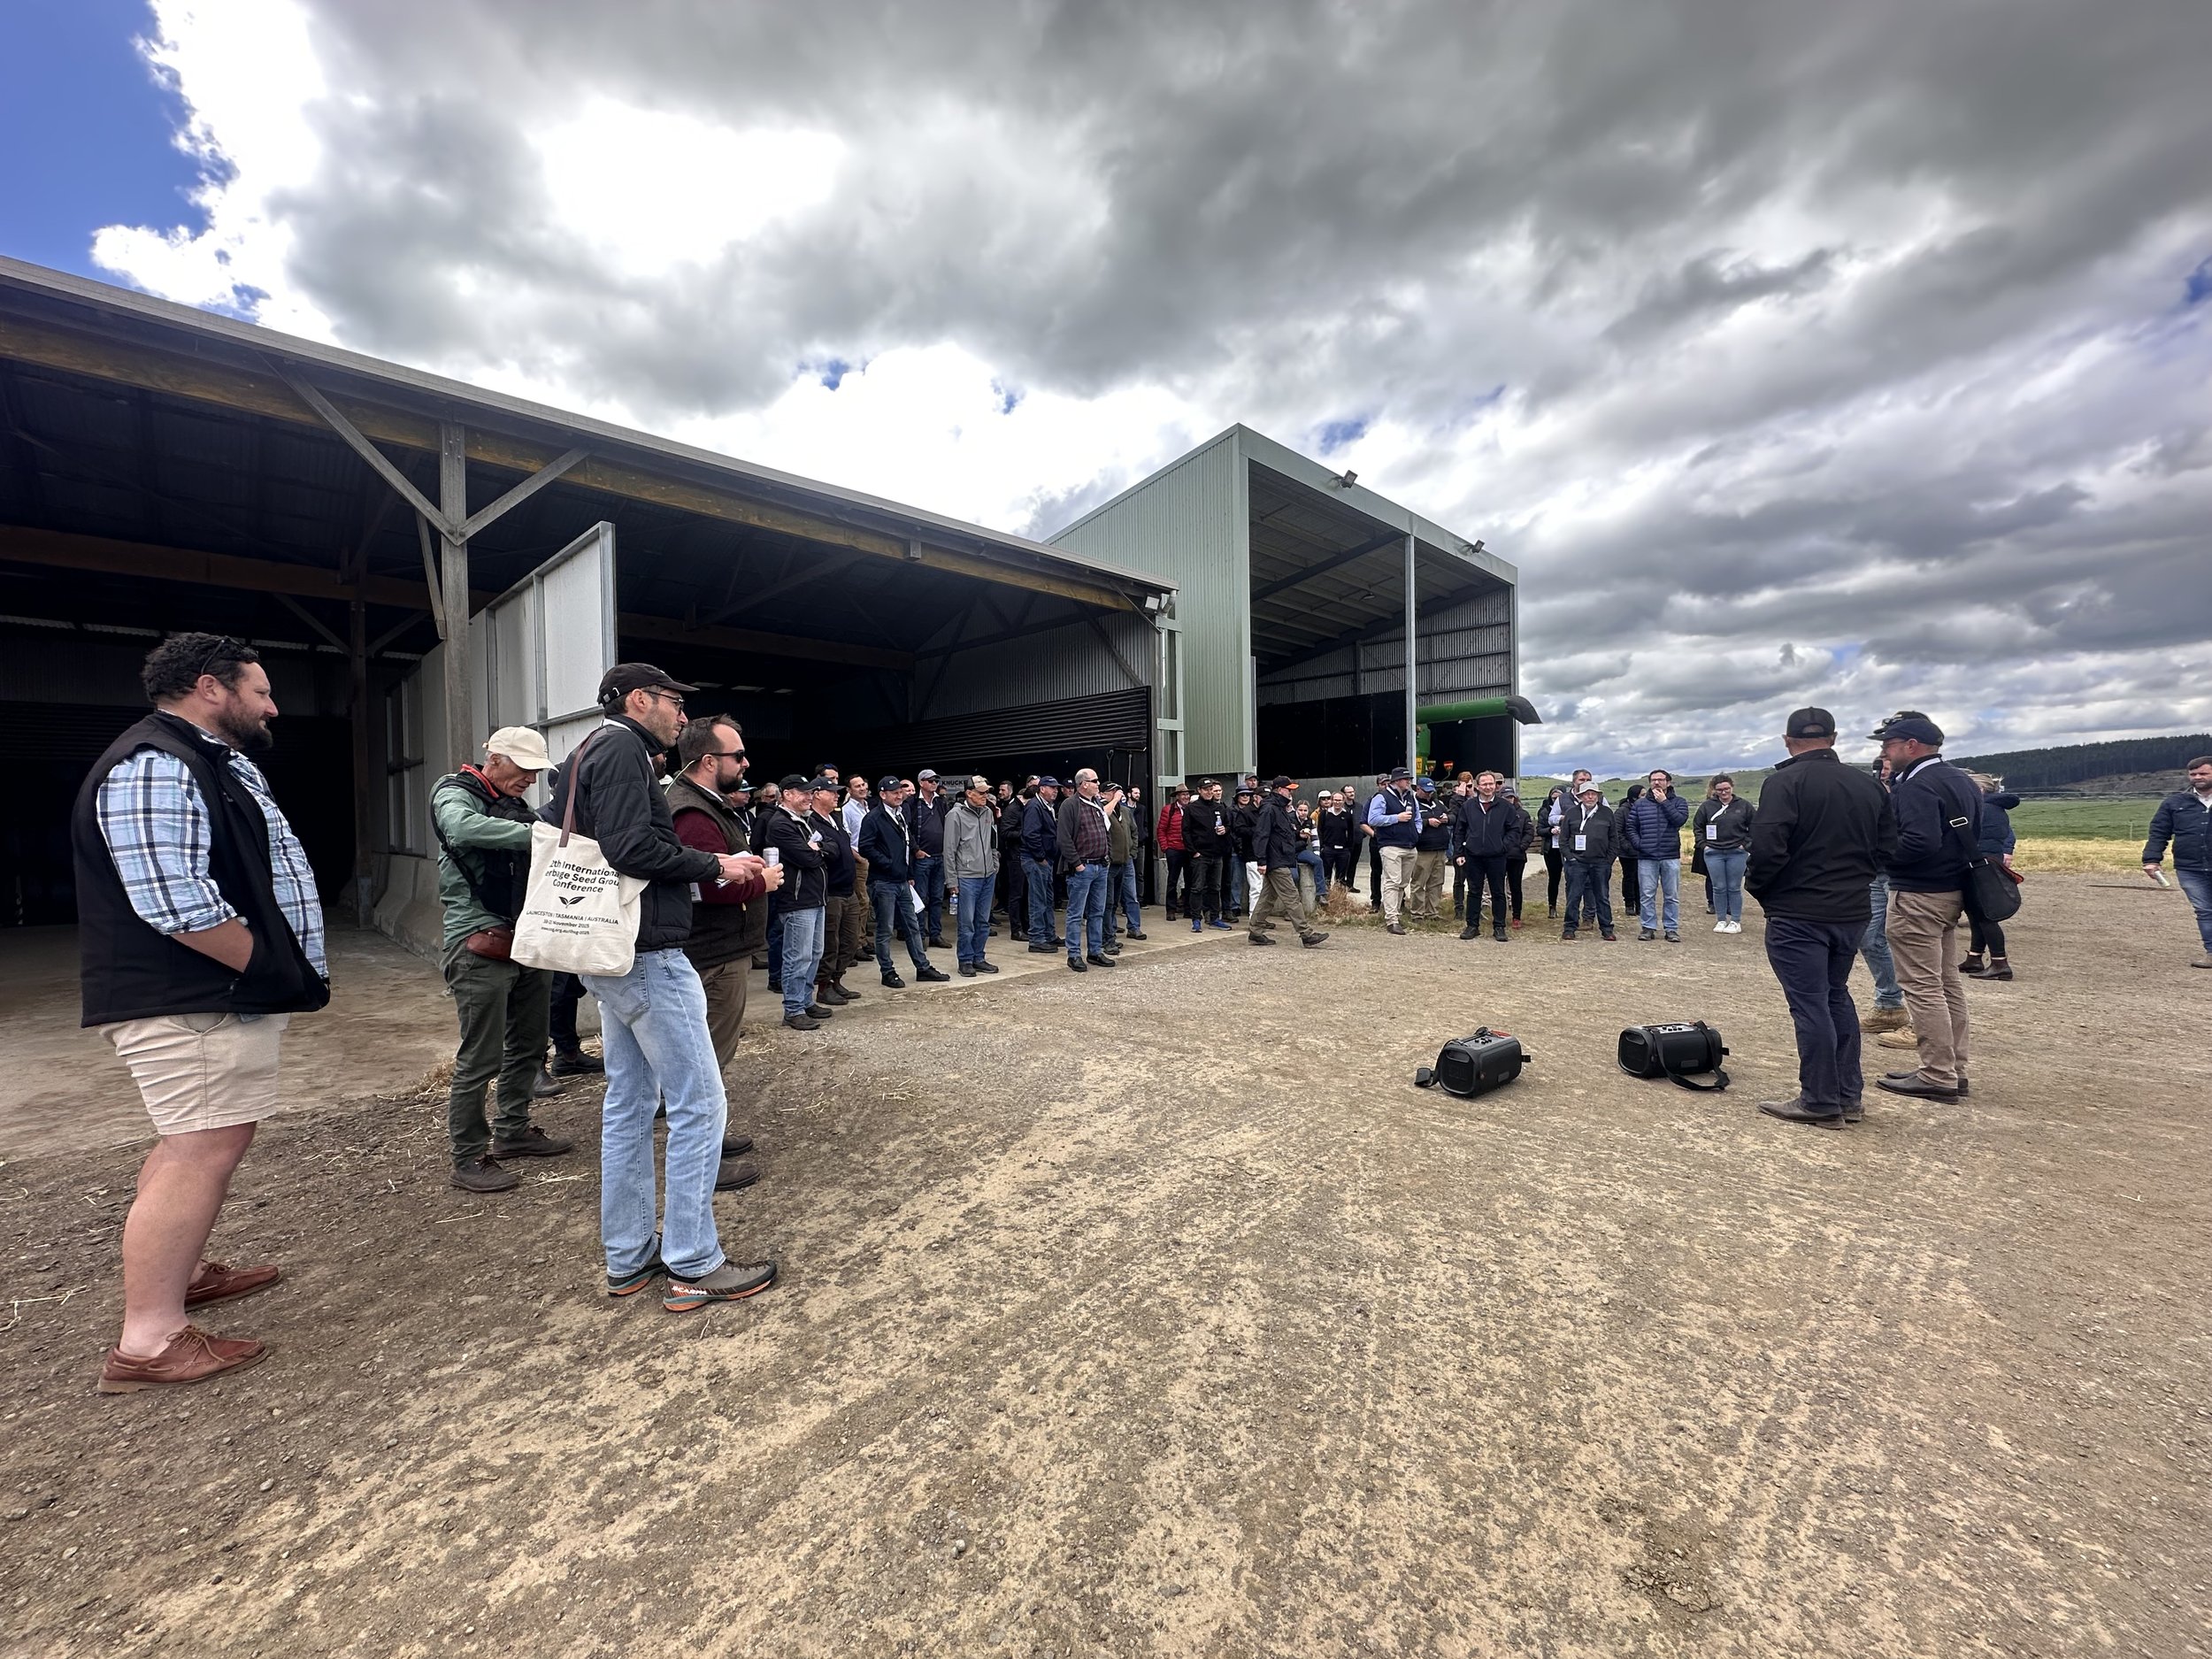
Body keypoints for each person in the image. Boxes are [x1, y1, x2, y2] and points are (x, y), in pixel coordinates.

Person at [75, 633, 331, 1391]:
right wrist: (269, 965)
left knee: (193, 1139)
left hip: (204, 998)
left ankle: (178, 1273)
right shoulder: (154, 764)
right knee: (202, 1148)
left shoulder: (203, 758)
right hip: (191, 997)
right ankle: (150, 1339)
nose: (273, 705)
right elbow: (175, 904)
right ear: (210, 688)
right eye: (260, 690)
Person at [547, 663, 775, 1310]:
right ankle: (694, 1261)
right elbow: (629, 849)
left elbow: (551, 825)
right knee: (701, 1104)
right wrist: (715, 863)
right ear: (640, 699)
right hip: (648, 953)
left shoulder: (587, 748)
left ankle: (629, 1256)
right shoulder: (623, 748)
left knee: (628, 1103)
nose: (681, 715)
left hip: (616, 956)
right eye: (675, 702)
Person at [431, 725, 573, 1194]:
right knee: (481, 1055)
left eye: (537, 771)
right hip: (478, 941)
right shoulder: (455, 794)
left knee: (531, 1043)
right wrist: (538, 834)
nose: (532, 778)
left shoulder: (515, 806)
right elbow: (461, 828)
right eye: (525, 768)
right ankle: (468, 1154)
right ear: (495, 760)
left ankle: (513, 1130)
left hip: (525, 938)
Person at [1745, 708, 1900, 1128]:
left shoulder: (1783, 783)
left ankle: (1818, 1100)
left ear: (1787, 740)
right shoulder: (1869, 786)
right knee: (1836, 996)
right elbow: (1889, 849)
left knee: (1810, 1005)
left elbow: (1767, 848)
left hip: (1798, 911)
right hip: (1851, 910)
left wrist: (1763, 891)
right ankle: (1848, 1095)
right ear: (1832, 738)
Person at [1871, 710, 1982, 1103]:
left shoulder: (1916, 785)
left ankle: (1936, 1074)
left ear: (1910, 746)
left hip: (1918, 894)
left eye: (1889, 745)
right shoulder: (1959, 779)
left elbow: (1918, 842)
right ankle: (1955, 1067)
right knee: (1947, 982)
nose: (1886, 753)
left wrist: (1878, 857)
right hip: (1952, 891)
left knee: (1921, 986)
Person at [669, 717, 780, 1084]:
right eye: (739, 756)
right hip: (715, 954)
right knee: (709, 1053)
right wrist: (761, 882)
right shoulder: (694, 812)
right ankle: (700, 1134)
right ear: (709, 762)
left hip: (717, 948)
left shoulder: (706, 804)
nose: (746, 763)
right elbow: (711, 886)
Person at [858, 776, 949, 987]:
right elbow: (866, 847)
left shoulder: (901, 814)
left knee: (913, 925)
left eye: (900, 792)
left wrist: (908, 869)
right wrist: (889, 864)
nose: (899, 796)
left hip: (902, 881)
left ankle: (923, 967)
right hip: (883, 881)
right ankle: (887, 971)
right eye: (894, 793)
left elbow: (907, 842)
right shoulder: (873, 818)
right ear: (882, 795)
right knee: (885, 929)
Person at [762, 774, 833, 1031]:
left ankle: (804, 1001)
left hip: (815, 897)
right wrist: (817, 850)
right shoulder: (780, 824)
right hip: (797, 899)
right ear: (787, 794)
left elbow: (833, 847)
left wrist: (819, 847)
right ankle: (793, 1008)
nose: (809, 796)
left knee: (814, 953)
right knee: (798, 955)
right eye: (803, 792)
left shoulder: (805, 821)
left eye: (811, 792)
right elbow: (808, 859)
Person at [2142, 755, 2212, 968]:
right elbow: (2158, 832)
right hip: (2190, 868)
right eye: (2193, 774)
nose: (2197, 777)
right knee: (2205, 910)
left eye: (2203, 773)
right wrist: (2152, 859)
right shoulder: (2175, 803)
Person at [1248, 776, 1330, 949]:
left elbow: (1281, 834)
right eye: (1288, 789)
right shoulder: (1270, 809)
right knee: (1292, 897)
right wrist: (1261, 861)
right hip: (1275, 860)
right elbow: (1261, 835)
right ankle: (1306, 934)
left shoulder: (1279, 808)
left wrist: (1297, 835)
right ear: (1279, 790)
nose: (1291, 792)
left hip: (1279, 859)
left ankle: (1255, 931)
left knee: (1267, 898)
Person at [810, 777, 865, 1008]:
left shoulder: (835, 818)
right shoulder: (811, 821)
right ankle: (824, 986)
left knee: (850, 940)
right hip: (830, 891)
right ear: (816, 794)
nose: (837, 795)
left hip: (847, 889)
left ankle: (837, 979)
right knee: (830, 942)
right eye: (831, 791)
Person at [1961, 774, 2020, 980]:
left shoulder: (1984, 809)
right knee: (1977, 913)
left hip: (1981, 865)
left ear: (1979, 790)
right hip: (1984, 863)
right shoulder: (1993, 808)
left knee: (1986, 916)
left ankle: (2000, 962)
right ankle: (1975, 957)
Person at [1056, 768, 1116, 971]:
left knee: (1097, 912)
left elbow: (1105, 829)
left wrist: (1108, 854)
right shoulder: (1070, 805)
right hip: (1083, 868)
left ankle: (1095, 951)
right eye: (1095, 781)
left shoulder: (1097, 803)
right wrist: (1077, 864)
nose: (1099, 784)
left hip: (1101, 865)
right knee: (1075, 914)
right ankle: (1074, 954)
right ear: (1084, 784)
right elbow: (1064, 838)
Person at [1624, 770, 1689, 942]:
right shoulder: (1640, 804)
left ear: (1668, 782)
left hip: (1670, 855)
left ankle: (1671, 928)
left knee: (1671, 895)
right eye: (1653, 780)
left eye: (1660, 780)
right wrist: (1640, 845)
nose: (1656, 783)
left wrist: (1664, 802)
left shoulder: (1679, 802)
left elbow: (1679, 821)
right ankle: (1648, 927)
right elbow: (1631, 827)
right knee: (1646, 894)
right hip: (1647, 856)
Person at [946, 773, 1001, 976]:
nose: (985, 795)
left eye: (987, 792)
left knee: (982, 921)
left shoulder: (987, 812)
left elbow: (992, 841)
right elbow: (949, 850)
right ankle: (966, 960)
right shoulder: (955, 815)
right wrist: (952, 881)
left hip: (987, 874)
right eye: (981, 792)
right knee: (967, 922)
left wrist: (994, 864)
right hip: (967, 876)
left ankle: (979, 957)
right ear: (969, 793)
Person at [1452, 771, 1515, 942]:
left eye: (1491, 784)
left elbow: (1514, 830)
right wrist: (1459, 852)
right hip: (1474, 856)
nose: (1488, 787)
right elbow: (1460, 830)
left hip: (1497, 856)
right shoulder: (1469, 806)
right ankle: (1472, 926)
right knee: (1474, 891)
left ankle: (1499, 927)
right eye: (1484, 784)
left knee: (1498, 892)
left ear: (1495, 785)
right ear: (1478, 786)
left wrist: (1503, 846)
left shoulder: (1505, 806)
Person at [1692, 774, 1756, 934]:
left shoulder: (1744, 805)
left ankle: (1735, 921)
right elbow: (1698, 826)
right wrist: (1704, 845)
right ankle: (1721, 920)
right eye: (1720, 790)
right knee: (1718, 887)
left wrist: (1745, 845)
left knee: (1734, 887)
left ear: (1732, 788)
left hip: (1737, 852)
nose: (1724, 792)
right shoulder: (1707, 806)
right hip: (1713, 852)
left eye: (1726, 789)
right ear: (1714, 790)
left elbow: (1755, 826)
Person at [1560, 780, 1619, 942]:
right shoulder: (1571, 813)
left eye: (1593, 794)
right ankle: (1569, 928)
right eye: (1587, 794)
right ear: (1581, 796)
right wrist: (1570, 858)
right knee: (1574, 896)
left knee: (1602, 897)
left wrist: (1608, 860)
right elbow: (1563, 839)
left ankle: (1607, 929)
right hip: (1577, 862)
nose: (1590, 797)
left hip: (1600, 862)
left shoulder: (1607, 813)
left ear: (1598, 796)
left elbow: (1614, 839)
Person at [1366, 768, 1421, 933]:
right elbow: (1372, 819)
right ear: (1397, 781)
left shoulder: (1411, 797)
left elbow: (1417, 818)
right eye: (1406, 779)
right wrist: (1396, 818)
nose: (1409, 782)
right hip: (1391, 846)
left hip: (1410, 846)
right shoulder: (1382, 797)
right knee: (1392, 881)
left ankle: (1394, 913)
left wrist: (1416, 832)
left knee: (1403, 883)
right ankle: (1391, 919)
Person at [905, 768, 952, 949]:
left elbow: (946, 824)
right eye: (930, 780)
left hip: (940, 856)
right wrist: (916, 849)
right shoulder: (911, 803)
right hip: (922, 857)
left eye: (936, 781)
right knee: (921, 899)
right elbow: (907, 829)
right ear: (921, 783)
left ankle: (935, 934)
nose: (934, 783)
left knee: (937, 898)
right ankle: (919, 936)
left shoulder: (941, 802)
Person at [1101, 780, 1146, 949]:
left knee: (1131, 896)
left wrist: (1132, 852)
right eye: (1112, 791)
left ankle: (1134, 927)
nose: (1117, 793)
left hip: (1126, 861)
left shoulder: (1126, 811)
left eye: (1118, 790)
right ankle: (1109, 933)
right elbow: (1104, 816)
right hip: (1110, 862)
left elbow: (1135, 832)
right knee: (1109, 901)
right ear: (1103, 794)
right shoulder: (1101, 808)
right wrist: (1113, 800)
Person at [1020, 777, 1064, 949]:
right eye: (1052, 788)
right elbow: (1031, 834)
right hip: (1035, 859)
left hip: (1044, 859)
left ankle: (1048, 934)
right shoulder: (1034, 806)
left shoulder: (1047, 807)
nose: (1055, 791)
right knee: (1038, 900)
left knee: (1047, 898)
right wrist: (1040, 857)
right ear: (1042, 789)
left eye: (1056, 788)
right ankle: (1037, 938)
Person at [1183, 779, 1232, 932]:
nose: (1209, 792)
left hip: (1217, 855)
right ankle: (1196, 919)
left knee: (1215, 888)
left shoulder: (1220, 807)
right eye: (1206, 789)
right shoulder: (1192, 808)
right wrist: (1193, 852)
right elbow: (1186, 832)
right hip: (1200, 855)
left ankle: (1215, 918)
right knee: (1197, 888)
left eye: (1211, 789)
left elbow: (1229, 825)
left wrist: (1225, 830)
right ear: (1199, 790)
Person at [1410, 778, 1451, 920]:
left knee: (1436, 883)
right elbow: (1409, 821)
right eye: (1426, 791)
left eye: (1431, 791)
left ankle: (1432, 912)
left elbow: (1452, 815)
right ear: (1418, 789)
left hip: (1440, 849)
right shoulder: (1412, 804)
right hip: (1423, 850)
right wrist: (1427, 822)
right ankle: (1417, 913)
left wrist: (1447, 818)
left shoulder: (1438, 802)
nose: (1429, 794)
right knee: (1419, 883)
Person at [840, 772, 874, 941]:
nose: (862, 788)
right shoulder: (846, 810)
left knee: (868, 904)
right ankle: (857, 943)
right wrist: (860, 858)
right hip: (858, 862)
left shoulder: (867, 807)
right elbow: (845, 839)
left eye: (863, 785)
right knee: (862, 902)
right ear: (849, 790)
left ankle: (862, 938)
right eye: (857, 786)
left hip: (871, 860)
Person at [1156, 785, 1191, 920]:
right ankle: (1171, 910)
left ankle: (1188, 909)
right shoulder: (1168, 810)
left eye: (1187, 794)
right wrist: (1166, 848)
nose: (1186, 797)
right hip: (1174, 850)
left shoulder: (1192, 809)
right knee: (1172, 881)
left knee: (1190, 881)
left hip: (1189, 850)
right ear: (1177, 796)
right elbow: (1161, 830)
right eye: (1183, 794)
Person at [1317, 791, 1355, 901]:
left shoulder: (1347, 815)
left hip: (1343, 851)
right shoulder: (1324, 814)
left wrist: (1349, 848)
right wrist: (1322, 846)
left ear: (1343, 801)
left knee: (1341, 877)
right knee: (1326, 875)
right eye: (1335, 800)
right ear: (1332, 800)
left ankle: (1339, 900)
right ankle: (1325, 898)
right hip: (1328, 849)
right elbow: (1320, 831)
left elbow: (1351, 832)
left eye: (1340, 800)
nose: (1337, 802)